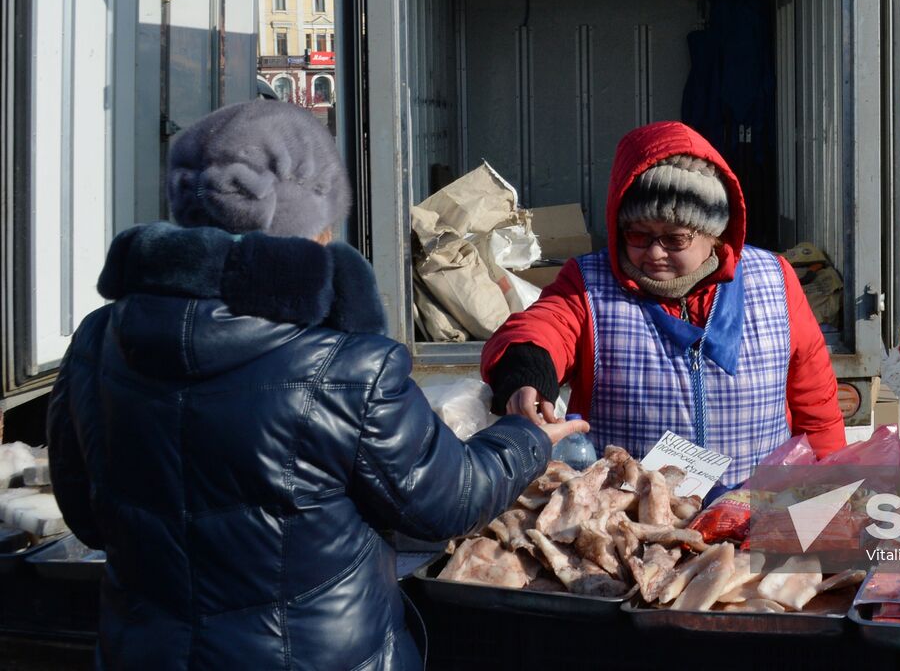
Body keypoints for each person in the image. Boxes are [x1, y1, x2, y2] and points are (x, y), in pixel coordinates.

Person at [46, 102, 580, 669]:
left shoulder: (97, 341)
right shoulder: (347, 366)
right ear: (313, 225)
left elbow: (85, 514)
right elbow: (447, 503)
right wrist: (527, 439)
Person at [482, 121, 845, 491]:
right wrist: (526, 371)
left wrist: (827, 484)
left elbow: (814, 402)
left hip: (754, 513)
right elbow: (545, 327)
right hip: (632, 520)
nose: (654, 253)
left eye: (675, 238)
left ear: (713, 233)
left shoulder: (773, 280)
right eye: (638, 235)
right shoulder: (590, 284)